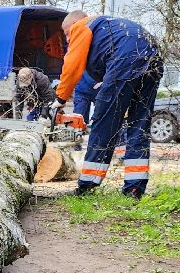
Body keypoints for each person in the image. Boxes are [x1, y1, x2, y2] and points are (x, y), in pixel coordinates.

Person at [55, 10, 165, 198]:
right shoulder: (111, 27)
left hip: (125, 58)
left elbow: (72, 65)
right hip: (153, 55)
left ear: (75, 23)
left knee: (103, 121)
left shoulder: (83, 26)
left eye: (66, 33)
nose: (67, 39)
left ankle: (87, 185)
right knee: (140, 124)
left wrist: (59, 99)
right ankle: (134, 189)